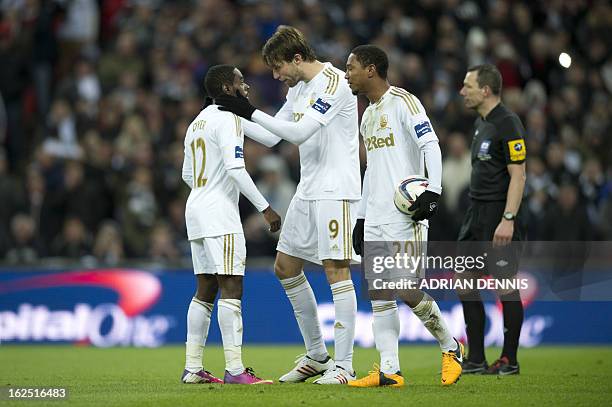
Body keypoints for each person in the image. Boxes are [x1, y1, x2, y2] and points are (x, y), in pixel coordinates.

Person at [216, 25, 361, 384]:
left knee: (335, 270)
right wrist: (228, 114)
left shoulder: (335, 83)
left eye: (278, 67)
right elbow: (270, 135)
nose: (276, 75)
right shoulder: (299, 89)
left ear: (297, 58)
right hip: (309, 189)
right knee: (285, 266)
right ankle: (317, 355)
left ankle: (345, 366)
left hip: (336, 190)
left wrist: (246, 108)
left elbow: (298, 134)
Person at [343, 45, 464, 388]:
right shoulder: (366, 116)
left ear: (370, 69)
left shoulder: (404, 102)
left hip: (405, 213)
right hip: (377, 215)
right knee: (380, 291)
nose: (347, 74)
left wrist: (433, 193)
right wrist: (362, 217)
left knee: (405, 288)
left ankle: (451, 346)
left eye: (350, 67)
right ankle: (390, 371)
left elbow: (431, 145)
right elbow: (372, 171)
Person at [181, 64, 281, 385]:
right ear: (227, 87)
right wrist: (265, 208)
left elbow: (270, 138)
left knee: (206, 288)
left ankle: (193, 368)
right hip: (219, 213)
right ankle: (236, 370)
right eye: (241, 81)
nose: (246, 86)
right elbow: (236, 170)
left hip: (195, 208)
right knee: (231, 285)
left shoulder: (198, 122)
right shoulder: (226, 121)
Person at [457, 63, 527, 375]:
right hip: (475, 215)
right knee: (464, 282)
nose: (462, 91)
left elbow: (519, 175)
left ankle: (509, 359)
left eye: (467, 86)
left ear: (485, 90)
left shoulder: (508, 123)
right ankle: (476, 358)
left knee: (505, 286)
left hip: (498, 215)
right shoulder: (481, 123)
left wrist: (508, 219)